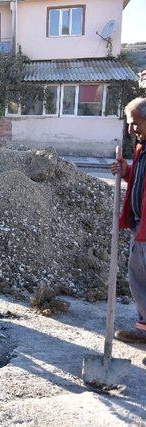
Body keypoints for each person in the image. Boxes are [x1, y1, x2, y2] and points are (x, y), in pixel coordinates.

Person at [111, 97, 146, 364]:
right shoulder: (142, 148)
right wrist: (126, 170)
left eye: (135, 123)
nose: (131, 129)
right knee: (139, 283)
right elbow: (140, 181)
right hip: (140, 228)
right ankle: (144, 330)